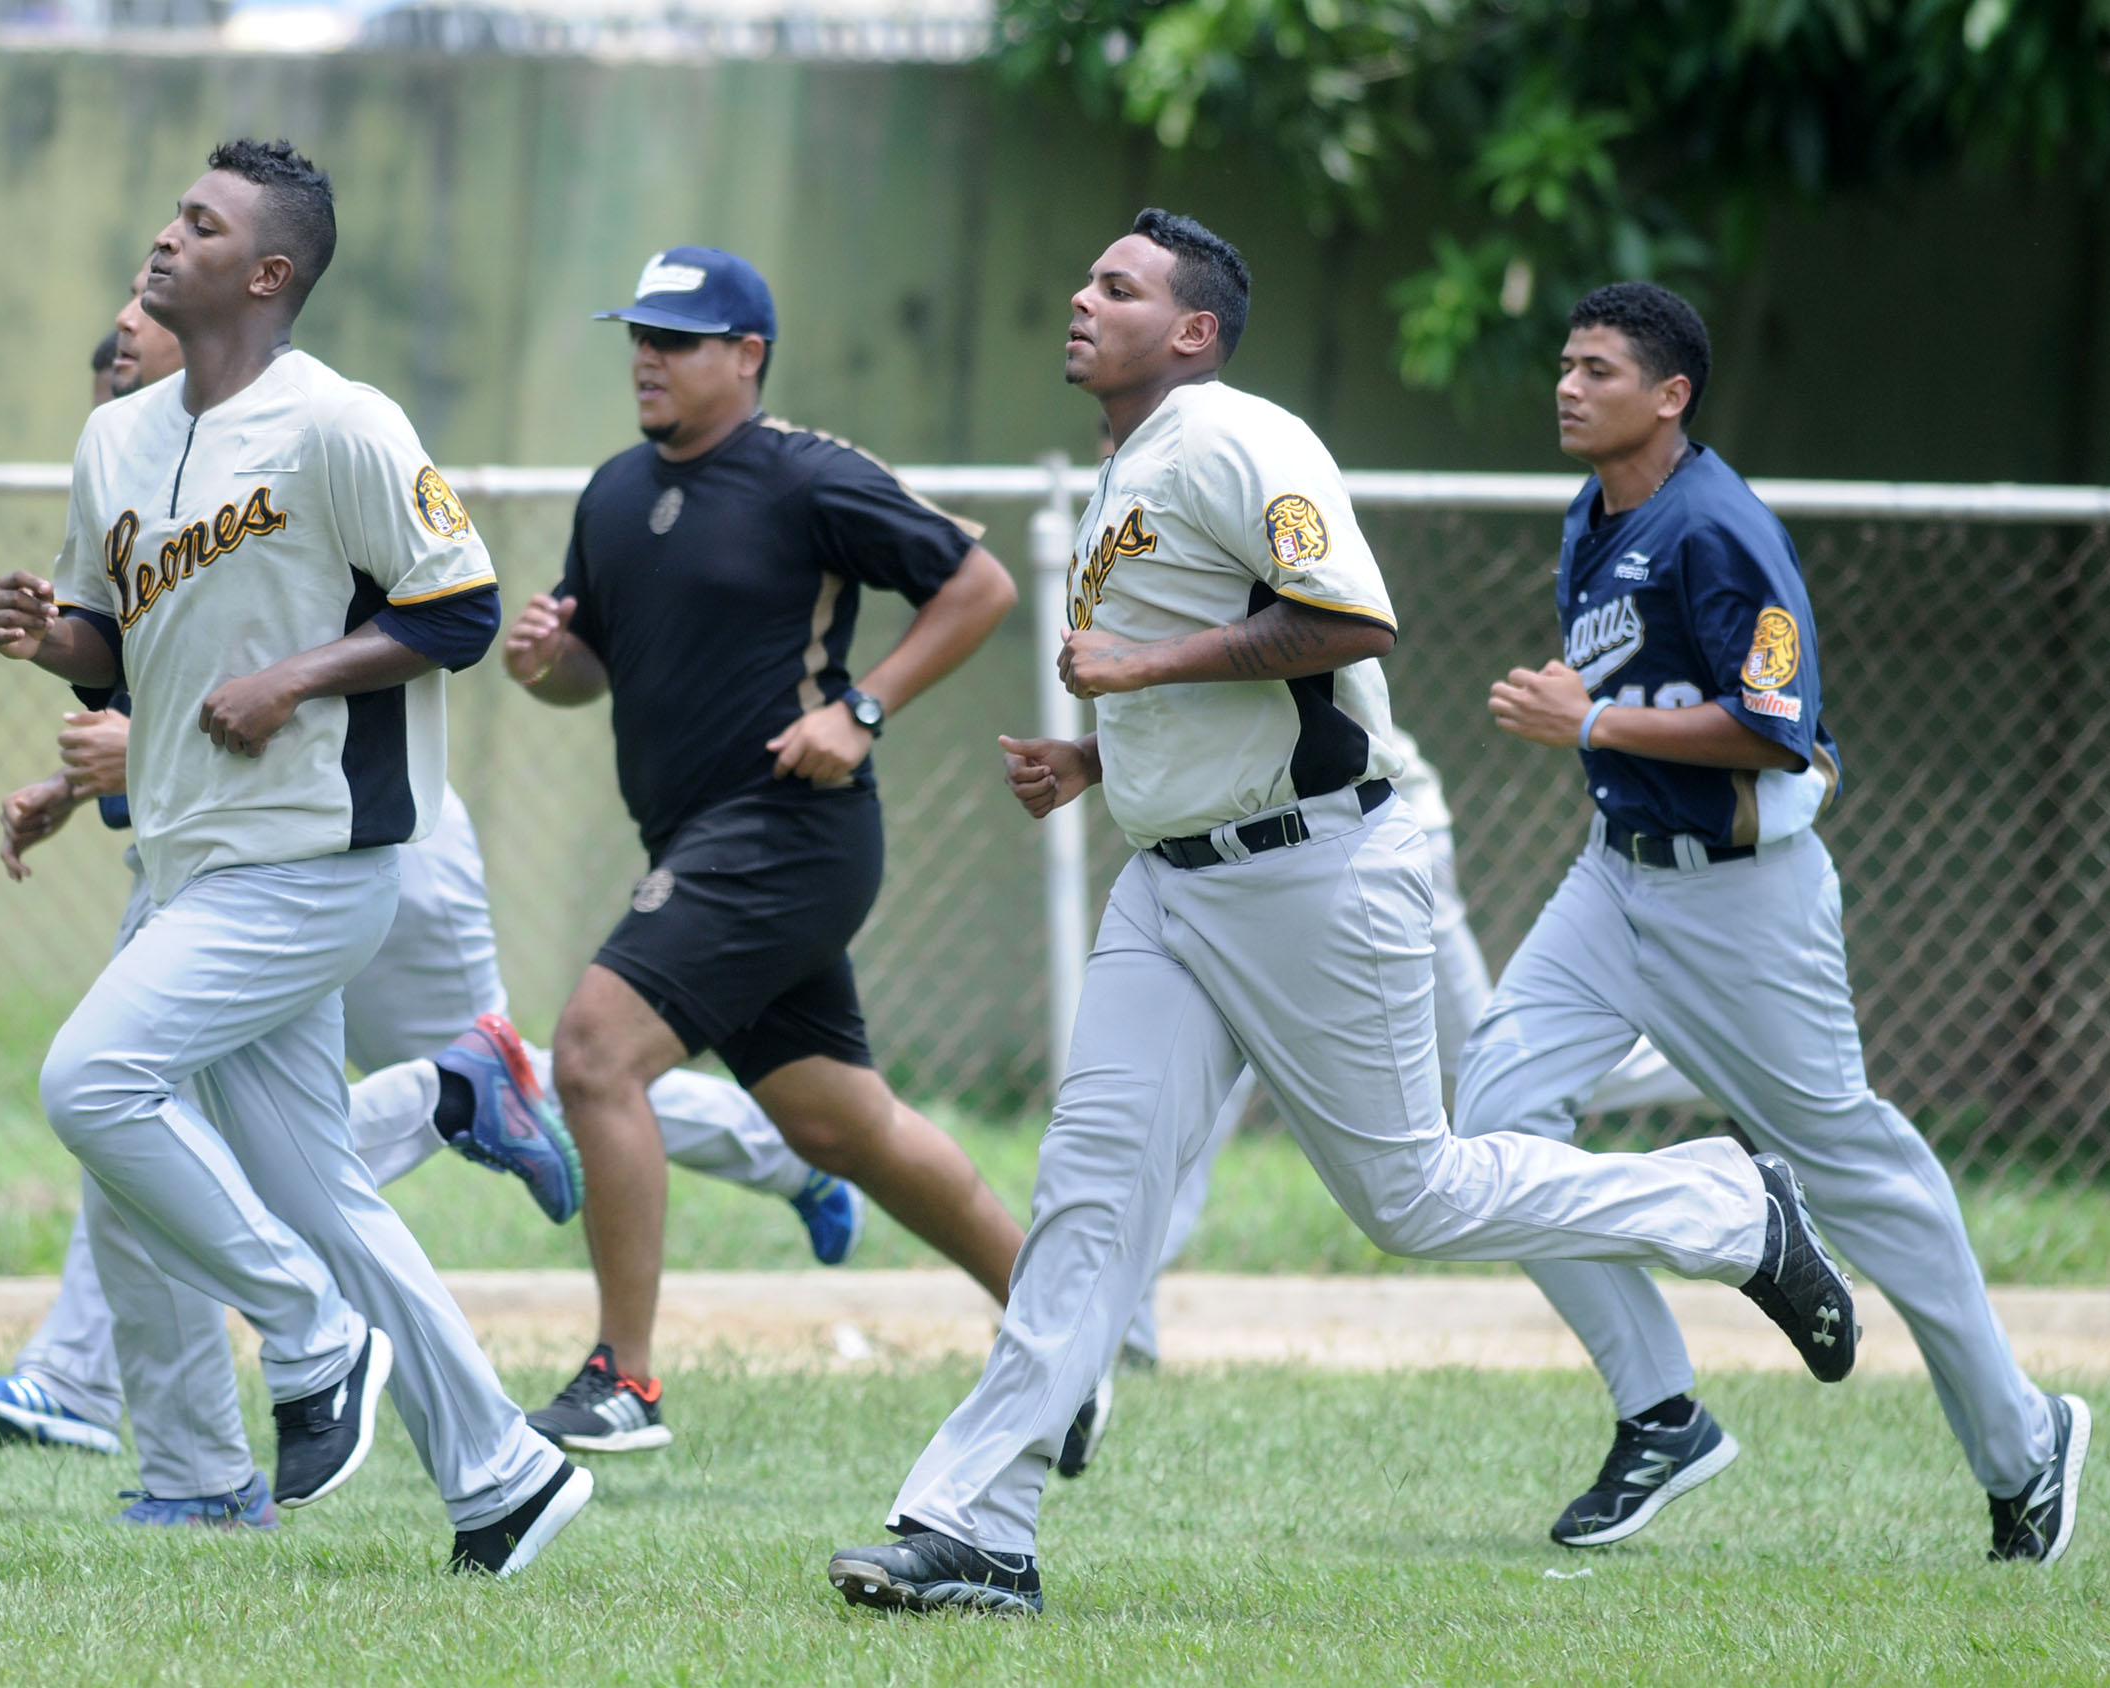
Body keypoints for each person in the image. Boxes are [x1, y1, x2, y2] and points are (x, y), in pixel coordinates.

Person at [824, 210, 1854, 1618]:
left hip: (1309, 875)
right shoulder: (1136, 463)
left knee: (1413, 1196)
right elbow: (1211, 683)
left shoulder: (1245, 436)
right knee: (1089, 1193)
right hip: (1172, 881)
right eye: (1084, 277)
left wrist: (1133, 668)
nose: (1079, 297)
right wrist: (1100, 751)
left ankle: (1729, 1205)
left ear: (1191, 332)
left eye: (1115, 287)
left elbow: (1348, 624)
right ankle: (978, 1525)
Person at [0, 276, 862, 1470]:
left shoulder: (311, 437)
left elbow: (375, 641)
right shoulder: (141, 468)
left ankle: (519, 1142)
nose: (120, 329)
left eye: (147, 311)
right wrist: (72, 780)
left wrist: (169, 739)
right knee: (200, 1117)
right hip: (223, 849)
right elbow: (170, 678)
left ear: (231, 326)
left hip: (358, 842)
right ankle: (476, 1466)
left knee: (339, 1089)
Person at [0, 138, 587, 1575]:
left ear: (269, 274)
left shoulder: (342, 424)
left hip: (317, 860)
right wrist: (49, 637)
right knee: (330, 1197)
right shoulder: (115, 440)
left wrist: (299, 680)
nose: (163, 238)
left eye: (201, 224)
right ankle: (504, 1474)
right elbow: (114, 642)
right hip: (192, 859)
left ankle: (310, 1336)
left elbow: (459, 609)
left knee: (93, 1079)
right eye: (170, 211)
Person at [1457, 280, 2088, 1562]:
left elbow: (1773, 729)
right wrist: (1598, 701)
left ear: (1669, 394)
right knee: (1492, 1122)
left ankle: (2025, 1446)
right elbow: (1639, 681)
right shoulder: (1596, 511)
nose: (1568, 386)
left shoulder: (1718, 527)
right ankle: (1661, 1410)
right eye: (1564, 365)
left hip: (1740, 901)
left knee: (1863, 1171)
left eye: (1597, 369)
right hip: (1612, 878)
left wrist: (1589, 719)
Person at [502, 247, 1031, 1455]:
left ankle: (624, 1380)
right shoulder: (612, 496)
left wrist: (865, 709)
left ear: (746, 355)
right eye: (638, 333)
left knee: (592, 1050)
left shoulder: (806, 476)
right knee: (843, 1127)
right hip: (698, 839)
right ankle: (1064, 1327)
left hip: (788, 829)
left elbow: (980, 583)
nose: (646, 355)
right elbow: (591, 674)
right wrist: (545, 663)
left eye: (677, 338)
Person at [1116, 719, 1714, 1369]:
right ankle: (1124, 1329)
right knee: (1197, 1089)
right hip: (1239, 870)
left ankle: (1726, 1078)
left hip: (1355, 849)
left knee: (1487, 1072)